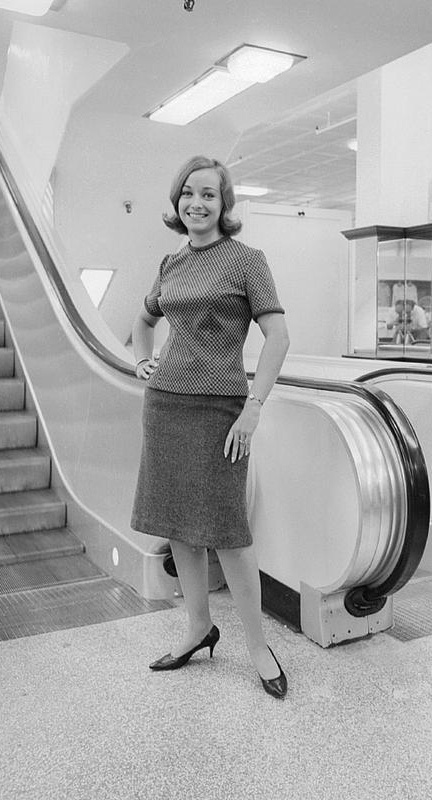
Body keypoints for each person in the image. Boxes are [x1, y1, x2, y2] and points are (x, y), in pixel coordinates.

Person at [130, 155, 291, 699]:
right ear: (177, 202)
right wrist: (141, 359)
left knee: (227, 530)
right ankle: (198, 628)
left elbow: (278, 338)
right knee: (178, 525)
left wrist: (255, 406)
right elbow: (145, 318)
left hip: (223, 406)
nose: (196, 204)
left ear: (225, 204)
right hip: (166, 403)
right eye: (187, 194)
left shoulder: (246, 260)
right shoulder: (170, 264)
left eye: (208, 195)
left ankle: (256, 645)